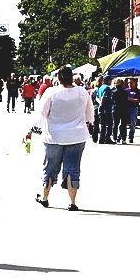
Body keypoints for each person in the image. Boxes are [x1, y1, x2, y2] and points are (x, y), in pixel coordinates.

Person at [35, 66, 94, 212]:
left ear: (58, 78)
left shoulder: (51, 92)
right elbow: (89, 112)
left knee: (50, 167)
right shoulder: (82, 92)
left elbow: (42, 113)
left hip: (53, 136)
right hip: (77, 136)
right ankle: (72, 202)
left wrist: (34, 128)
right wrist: (89, 123)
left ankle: (45, 198)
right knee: (73, 168)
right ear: (72, 77)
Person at [95, 76, 115, 145]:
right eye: (110, 80)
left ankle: (101, 138)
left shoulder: (100, 87)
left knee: (102, 124)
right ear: (107, 80)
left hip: (100, 109)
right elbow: (104, 97)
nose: (111, 81)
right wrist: (102, 103)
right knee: (109, 124)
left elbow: (97, 97)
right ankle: (107, 138)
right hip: (106, 109)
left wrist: (100, 104)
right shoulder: (107, 88)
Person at [124, 77, 140, 143]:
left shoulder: (137, 91)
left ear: (135, 83)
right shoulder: (125, 91)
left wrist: (131, 99)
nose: (129, 84)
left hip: (134, 108)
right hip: (126, 108)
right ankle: (122, 136)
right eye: (128, 83)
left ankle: (131, 137)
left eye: (131, 83)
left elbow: (138, 100)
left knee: (133, 123)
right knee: (123, 123)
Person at [112, 78, 129, 144]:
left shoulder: (113, 91)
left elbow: (112, 100)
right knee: (123, 125)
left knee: (115, 124)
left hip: (115, 108)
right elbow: (126, 101)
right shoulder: (124, 92)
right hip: (123, 109)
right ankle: (123, 139)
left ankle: (114, 138)